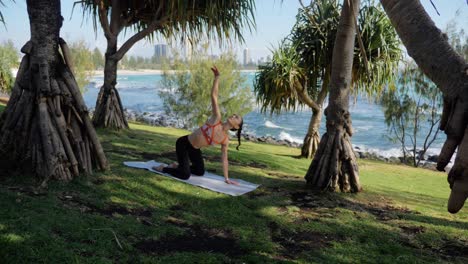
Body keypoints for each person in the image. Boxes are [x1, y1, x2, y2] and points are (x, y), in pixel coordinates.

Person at [153, 66, 243, 185]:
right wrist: (217, 77)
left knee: (200, 172)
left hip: (194, 149)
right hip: (184, 144)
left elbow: (224, 159)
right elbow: (214, 96)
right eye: (235, 114)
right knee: (185, 175)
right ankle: (163, 168)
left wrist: (226, 178)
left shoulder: (225, 140)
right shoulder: (217, 119)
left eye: (236, 117)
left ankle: (177, 166)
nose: (234, 115)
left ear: (236, 127)